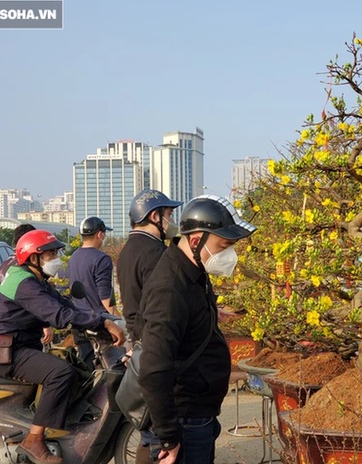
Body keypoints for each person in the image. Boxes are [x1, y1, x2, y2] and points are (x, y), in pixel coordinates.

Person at [0, 229, 125, 464]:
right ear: (33, 258)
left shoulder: (37, 279)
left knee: (74, 366)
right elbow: (58, 315)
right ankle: (34, 441)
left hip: (21, 346)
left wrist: (105, 318)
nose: (55, 258)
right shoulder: (24, 283)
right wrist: (101, 321)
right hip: (6, 351)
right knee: (61, 372)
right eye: (49, 253)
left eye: (55, 252)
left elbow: (66, 305)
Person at [137, 195, 257, 464]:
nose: (229, 255)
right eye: (224, 245)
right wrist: (168, 437)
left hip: (200, 415)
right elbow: (154, 369)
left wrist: (212, 314)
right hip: (184, 422)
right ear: (195, 240)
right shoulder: (170, 287)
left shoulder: (194, 271)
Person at [117, 189, 182, 343]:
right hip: (153, 336)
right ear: (155, 217)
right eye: (169, 215)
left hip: (136, 333)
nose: (171, 221)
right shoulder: (156, 252)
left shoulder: (127, 249)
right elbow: (161, 303)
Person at [68, 216, 117, 369]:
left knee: (86, 368)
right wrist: (116, 321)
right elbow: (105, 298)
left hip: (79, 320)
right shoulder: (102, 259)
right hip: (99, 324)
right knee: (112, 371)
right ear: (99, 234)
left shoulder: (74, 257)